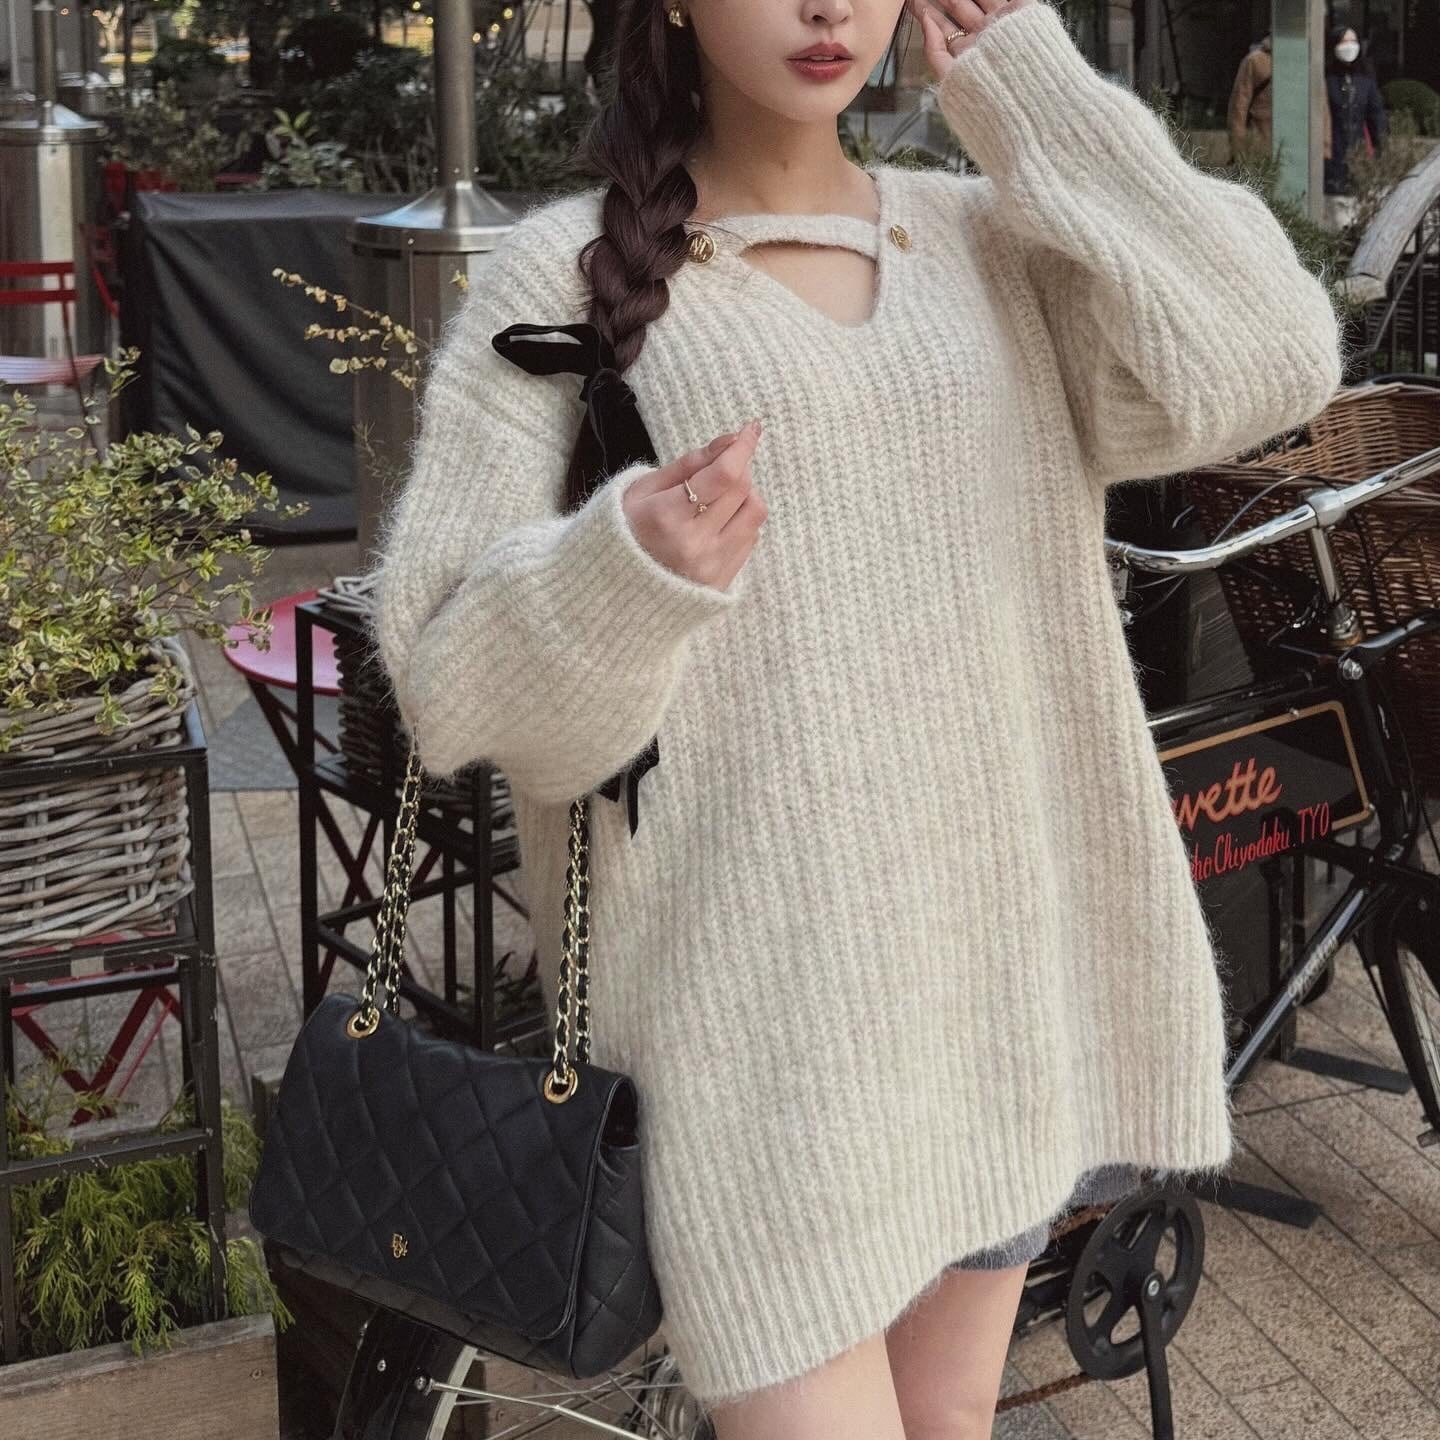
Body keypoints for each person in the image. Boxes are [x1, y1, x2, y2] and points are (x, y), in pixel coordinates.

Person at [372, 0, 1343, 1435]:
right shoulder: (560, 272)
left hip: (993, 1000)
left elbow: (1273, 360)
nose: (829, 9)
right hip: (764, 1041)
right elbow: (448, 682)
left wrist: (1040, 100)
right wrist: (621, 569)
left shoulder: (988, 237)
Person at [1325, 22, 1387, 198]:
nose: (1349, 46)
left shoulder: (1365, 79)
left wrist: (1381, 150)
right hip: (1330, 157)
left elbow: (1376, 117)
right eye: (1344, 42)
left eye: (1353, 41)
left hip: (1358, 156)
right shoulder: (1326, 78)